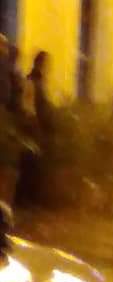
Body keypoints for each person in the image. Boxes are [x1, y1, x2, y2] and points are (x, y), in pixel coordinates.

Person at [15, 50, 53, 208]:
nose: (48, 68)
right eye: (46, 64)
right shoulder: (31, 80)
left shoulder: (40, 81)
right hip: (32, 127)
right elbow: (28, 105)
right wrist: (34, 122)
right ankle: (24, 199)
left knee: (34, 164)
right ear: (40, 64)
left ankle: (30, 199)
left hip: (38, 126)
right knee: (29, 163)